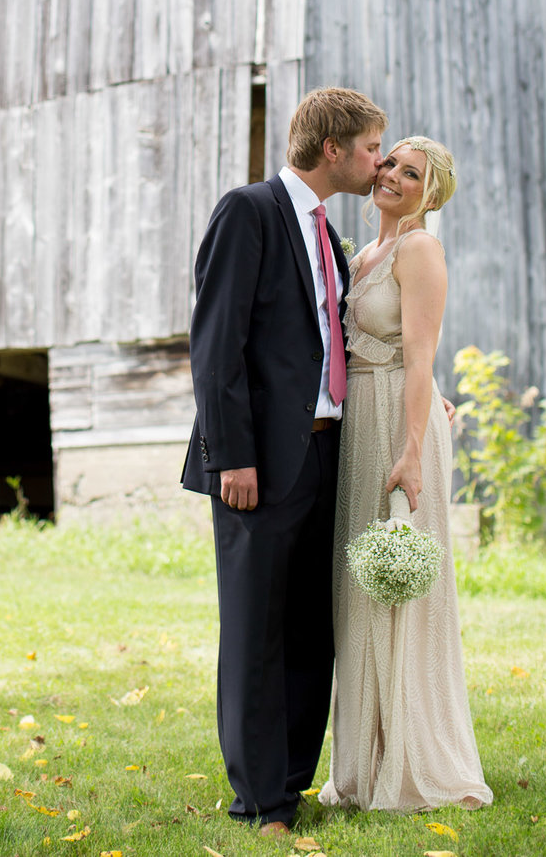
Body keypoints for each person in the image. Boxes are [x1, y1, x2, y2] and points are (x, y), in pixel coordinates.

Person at [181, 86, 388, 835]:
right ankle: (259, 801)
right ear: (332, 149)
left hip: (326, 454)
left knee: (311, 628)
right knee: (256, 629)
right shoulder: (250, 211)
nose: (377, 160)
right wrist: (231, 455)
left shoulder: (328, 236)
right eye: (369, 147)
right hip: (257, 466)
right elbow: (216, 346)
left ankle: (292, 785)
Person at [319, 136, 493, 812]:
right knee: (361, 590)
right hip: (358, 421)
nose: (390, 173)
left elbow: (419, 357)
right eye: (388, 161)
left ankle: (418, 763)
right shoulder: (363, 255)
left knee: (401, 590)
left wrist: (412, 448)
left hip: (399, 423)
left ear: (431, 193)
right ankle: (363, 764)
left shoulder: (420, 249)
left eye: (409, 172)